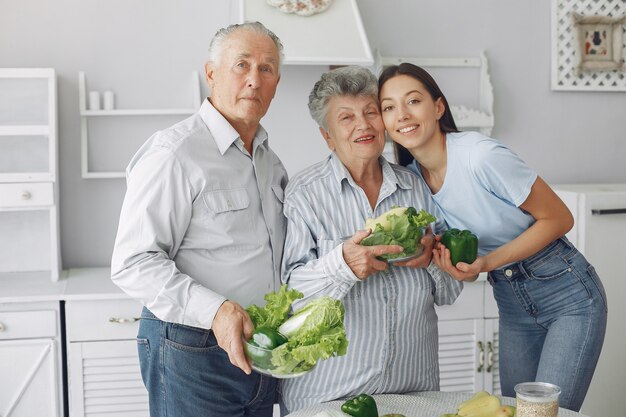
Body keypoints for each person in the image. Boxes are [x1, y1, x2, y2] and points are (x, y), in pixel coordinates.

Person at [378, 63, 608, 411]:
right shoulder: (410, 182)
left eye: (413, 101)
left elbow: (559, 218)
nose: (402, 115)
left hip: (567, 293)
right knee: (514, 410)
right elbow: (450, 242)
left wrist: (486, 263)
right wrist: (426, 253)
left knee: (543, 413)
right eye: (389, 107)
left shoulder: (479, 156)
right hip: (512, 300)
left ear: (438, 107)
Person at [110, 22, 287, 417]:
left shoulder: (271, 162)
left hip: (259, 354)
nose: (254, 80)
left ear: (277, 83)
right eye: (241, 65)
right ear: (211, 73)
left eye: (267, 69)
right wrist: (217, 310)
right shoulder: (174, 152)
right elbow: (133, 263)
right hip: (192, 352)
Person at [279, 66, 463, 414]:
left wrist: (433, 261)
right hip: (329, 395)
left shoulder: (419, 187)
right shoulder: (304, 194)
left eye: (370, 112)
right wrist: (343, 265)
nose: (362, 125)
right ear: (327, 136)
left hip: (413, 390)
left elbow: (451, 292)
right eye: (346, 117)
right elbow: (290, 298)